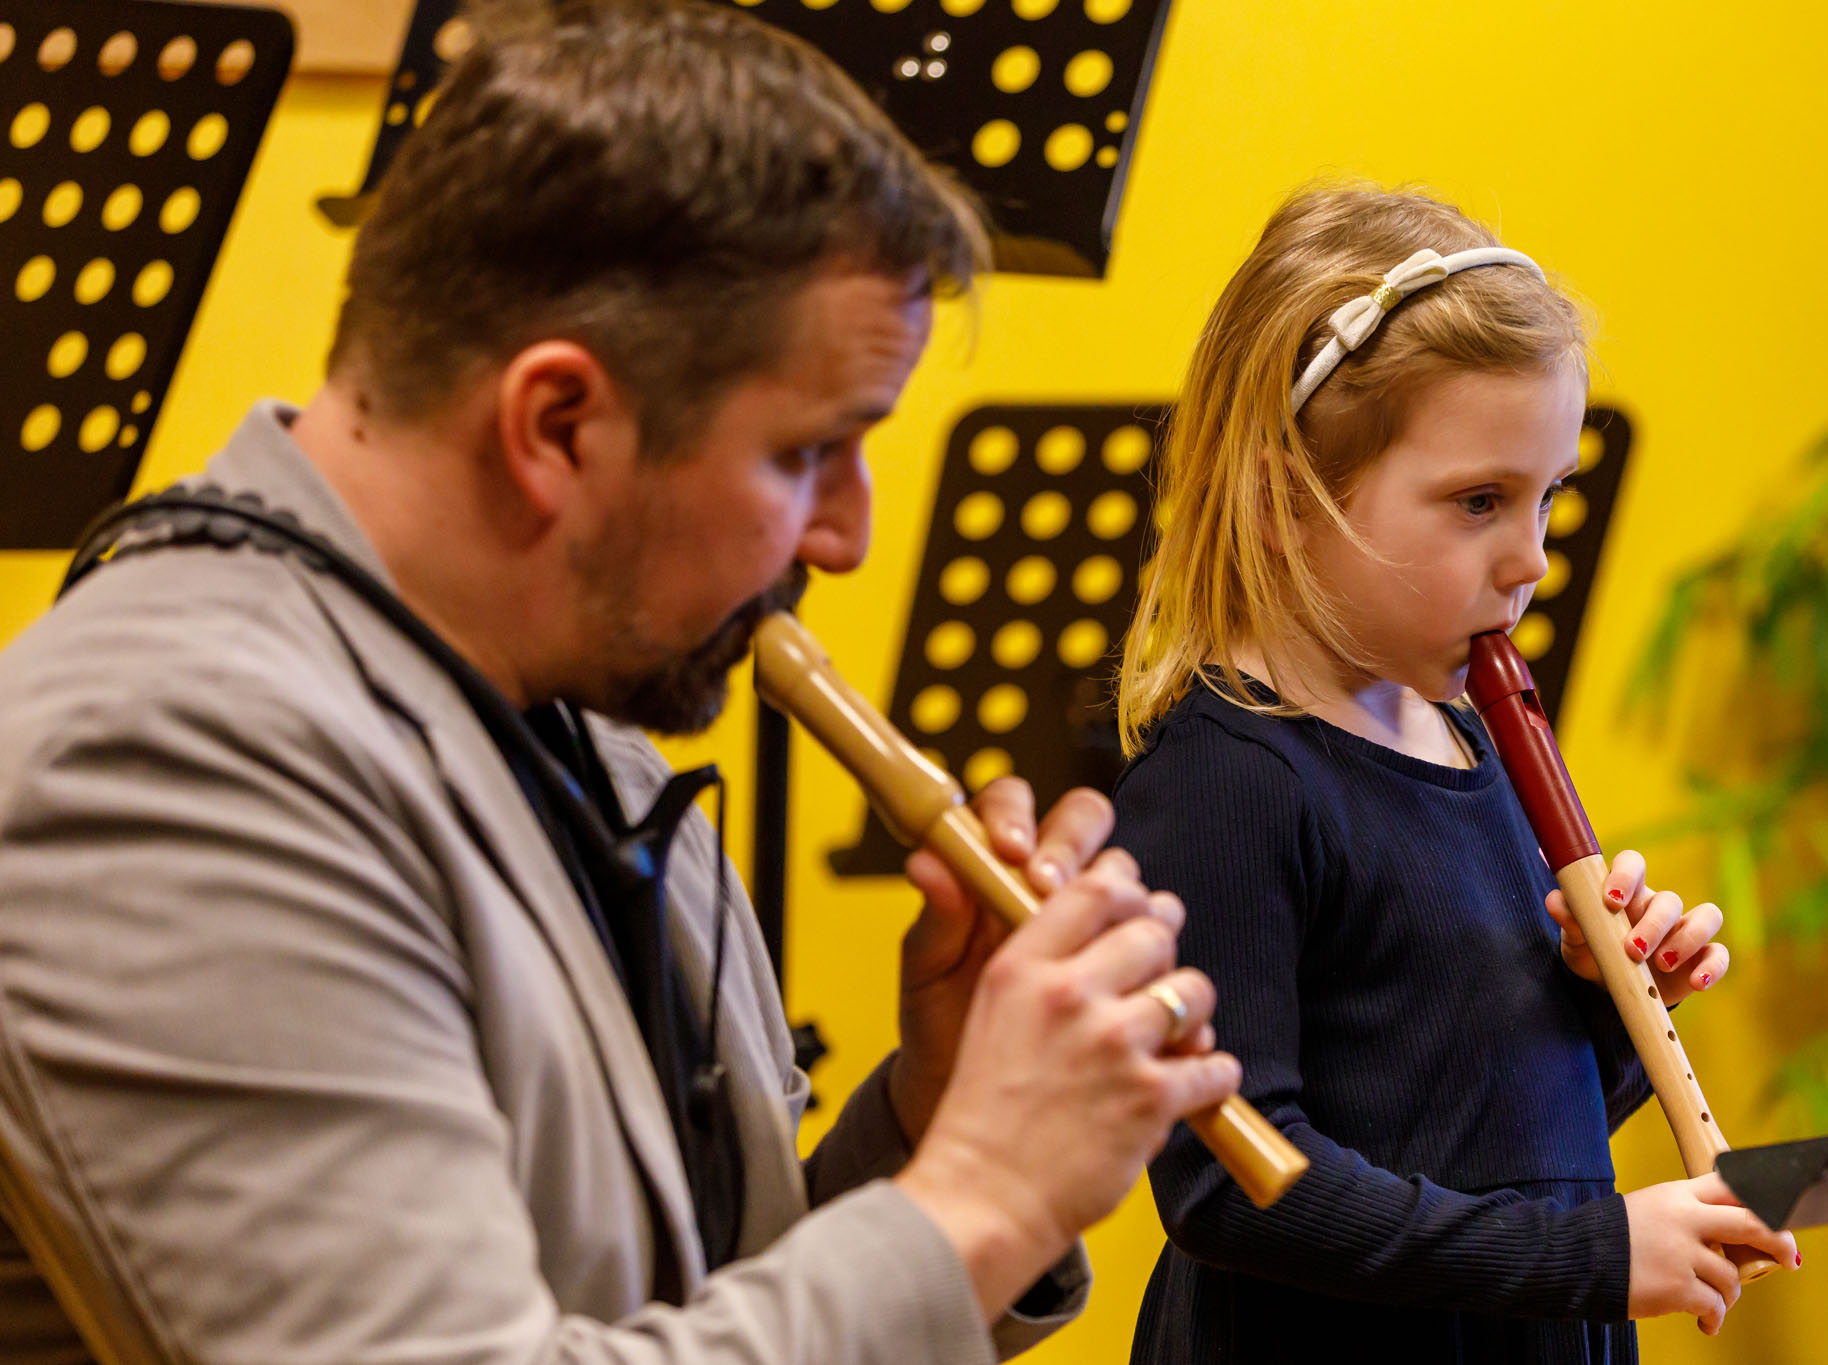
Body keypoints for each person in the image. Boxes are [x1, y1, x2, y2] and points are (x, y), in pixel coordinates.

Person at [0, 5, 1243, 1363]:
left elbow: (685, 1297)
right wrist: (984, 1199)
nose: (846, 536)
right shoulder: (167, 761)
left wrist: (934, 1125)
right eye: (808, 454)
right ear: (559, 423)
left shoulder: (577, 718)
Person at [1110, 185, 1801, 1364]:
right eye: (1478, 501)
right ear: (1280, 498)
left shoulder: (1471, 738)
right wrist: (1587, 1256)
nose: (1529, 559)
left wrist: (1609, 1014)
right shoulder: (1229, 783)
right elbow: (1230, 1188)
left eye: (1546, 497)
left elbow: (1497, 1137)